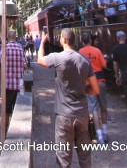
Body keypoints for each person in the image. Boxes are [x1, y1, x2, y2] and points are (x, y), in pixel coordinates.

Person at [38, 27, 99, 168]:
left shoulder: (57, 58)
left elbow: (40, 60)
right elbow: (95, 88)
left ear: (64, 40)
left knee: (63, 158)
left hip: (64, 115)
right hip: (82, 114)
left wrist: (42, 42)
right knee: (85, 156)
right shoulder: (84, 61)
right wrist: (82, 91)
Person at [79, 32, 109, 144]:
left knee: (94, 109)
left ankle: (99, 136)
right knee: (103, 107)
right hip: (100, 81)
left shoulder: (80, 53)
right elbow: (104, 65)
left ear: (82, 41)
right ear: (90, 41)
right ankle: (106, 132)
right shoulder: (97, 51)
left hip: (89, 83)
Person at [5, 30, 28, 128]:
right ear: (15, 37)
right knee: (18, 106)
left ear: (7, 37)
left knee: (7, 108)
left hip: (7, 83)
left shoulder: (4, 48)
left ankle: (7, 128)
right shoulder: (20, 48)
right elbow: (25, 65)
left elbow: (1, 63)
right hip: (19, 83)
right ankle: (18, 127)